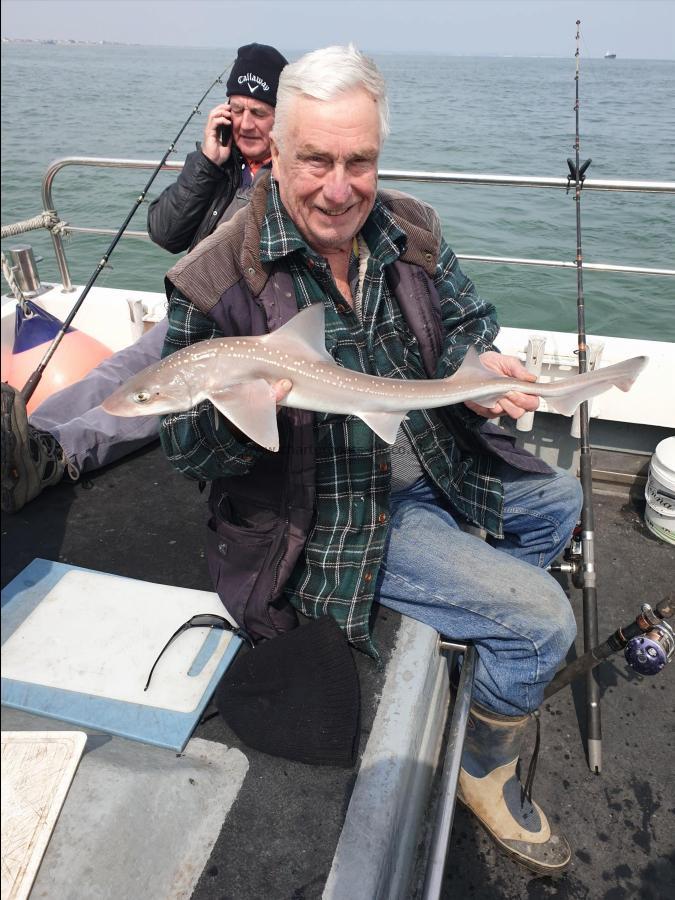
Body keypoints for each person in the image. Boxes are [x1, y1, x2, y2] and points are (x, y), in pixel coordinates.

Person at [158, 45, 583, 876]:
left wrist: (477, 363)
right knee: (543, 622)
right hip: (334, 516)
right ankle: (485, 770)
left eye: (360, 160)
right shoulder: (215, 279)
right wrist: (242, 410)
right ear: (272, 150)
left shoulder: (407, 227)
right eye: (315, 158)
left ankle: (471, 625)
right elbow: (183, 450)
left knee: (561, 498)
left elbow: (464, 317)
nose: (340, 187)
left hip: (430, 454)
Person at [1, 43, 287, 514]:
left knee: (152, 396)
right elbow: (164, 232)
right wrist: (207, 164)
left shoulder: (286, 180)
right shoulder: (222, 166)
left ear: (283, 117)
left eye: (260, 112)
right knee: (112, 370)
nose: (246, 123)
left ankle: (55, 455)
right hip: (189, 312)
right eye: (236, 110)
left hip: (234, 327)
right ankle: (24, 440)